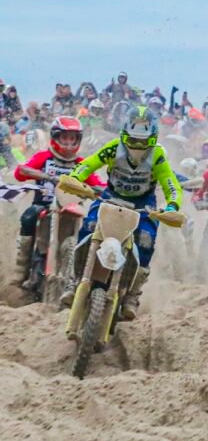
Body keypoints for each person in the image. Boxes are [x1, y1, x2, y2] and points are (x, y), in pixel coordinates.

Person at [60, 106, 182, 319]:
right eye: (133, 140)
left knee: (146, 241)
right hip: (110, 196)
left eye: (143, 141)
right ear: (125, 133)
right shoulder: (114, 147)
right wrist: (75, 178)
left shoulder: (157, 156)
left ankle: (132, 295)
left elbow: (171, 184)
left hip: (143, 204)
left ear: (152, 138)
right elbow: (89, 164)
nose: (137, 146)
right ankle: (73, 281)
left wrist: (172, 206)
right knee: (88, 227)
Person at [11, 117, 105, 288]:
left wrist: (102, 189)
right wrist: (44, 175)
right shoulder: (44, 157)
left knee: (91, 228)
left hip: (72, 207)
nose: (68, 143)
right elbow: (20, 172)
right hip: (45, 205)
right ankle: (21, 268)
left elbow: (98, 183)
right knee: (28, 216)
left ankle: (84, 279)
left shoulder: (81, 164)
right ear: (55, 137)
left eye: (72, 138)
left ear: (78, 140)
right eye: (65, 138)